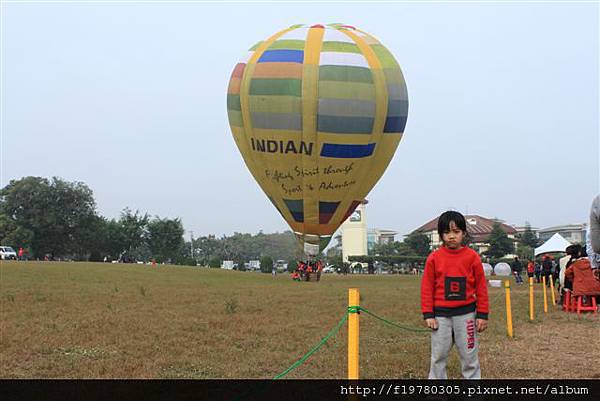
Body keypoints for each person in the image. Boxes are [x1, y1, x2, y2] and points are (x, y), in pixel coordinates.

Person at [421, 211, 489, 379]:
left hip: (466, 316)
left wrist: (482, 314)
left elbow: (481, 287)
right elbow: (427, 287)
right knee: (438, 357)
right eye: (447, 232)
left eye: (456, 232)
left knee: (469, 357)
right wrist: (428, 314)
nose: (451, 236)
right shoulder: (434, 258)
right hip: (440, 317)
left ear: (463, 233)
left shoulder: (472, 257)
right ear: (441, 235)